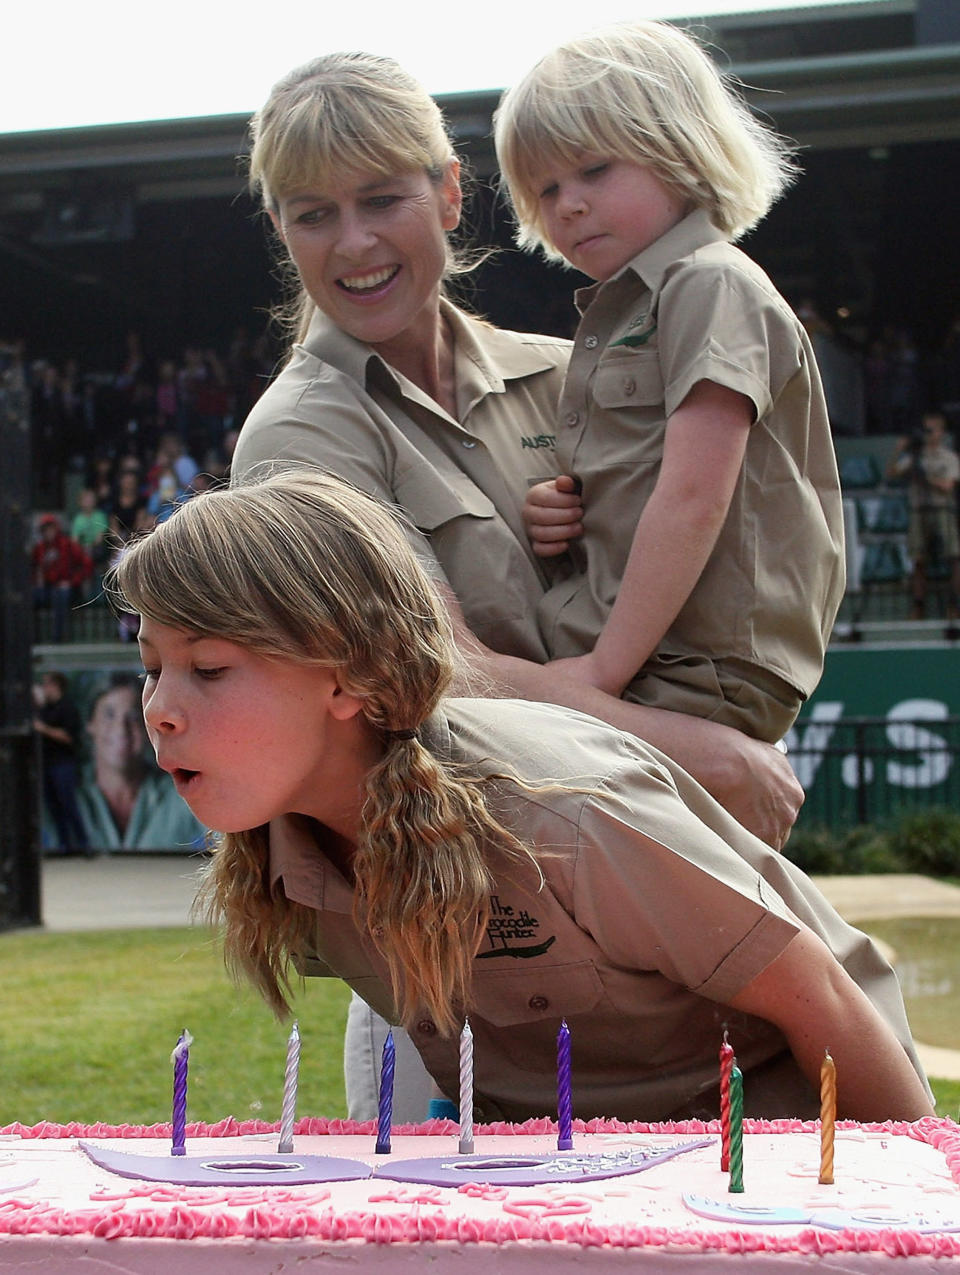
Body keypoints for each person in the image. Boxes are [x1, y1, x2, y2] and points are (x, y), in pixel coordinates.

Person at [230, 49, 803, 1124]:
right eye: (312, 213)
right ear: (280, 229)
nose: (353, 243)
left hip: (654, 906)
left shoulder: (572, 370)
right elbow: (433, 682)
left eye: (382, 198)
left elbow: (713, 547)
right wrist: (702, 753)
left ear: (449, 191)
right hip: (460, 951)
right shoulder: (299, 440)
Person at [106, 471, 932, 1123]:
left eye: (209, 669)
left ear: (350, 673)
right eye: (151, 668)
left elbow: (817, 994)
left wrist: (899, 1217)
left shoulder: (562, 812)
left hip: (756, 1156)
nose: (161, 709)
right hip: (553, 1183)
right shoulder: (291, 852)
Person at [495, 20, 846, 744]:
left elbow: (693, 497)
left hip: (688, 668)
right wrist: (560, 508)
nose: (569, 204)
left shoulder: (709, 284)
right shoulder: (642, 303)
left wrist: (599, 677)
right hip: (649, 657)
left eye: (594, 170)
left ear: (679, 151)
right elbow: (645, 478)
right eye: (548, 186)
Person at [76, 673, 207, 853]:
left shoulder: (181, 795)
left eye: (133, 717)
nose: (121, 729)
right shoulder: (65, 794)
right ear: (90, 724)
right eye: (109, 715)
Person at [886, 410, 960, 619]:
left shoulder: (949, 457)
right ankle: (918, 606)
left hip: (942, 511)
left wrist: (926, 478)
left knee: (954, 557)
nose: (928, 434)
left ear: (941, 432)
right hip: (918, 512)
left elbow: (947, 485)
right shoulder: (914, 457)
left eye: (932, 429)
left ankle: (954, 605)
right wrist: (899, 450)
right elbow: (891, 473)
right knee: (918, 559)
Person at [33, 671, 90, 856]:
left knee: (68, 804)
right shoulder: (44, 710)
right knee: (53, 807)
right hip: (47, 764)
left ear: (56, 685)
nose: (44, 688)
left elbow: (68, 737)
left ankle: (84, 844)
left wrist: (44, 729)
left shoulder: (67, 708)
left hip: (63, 764)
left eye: (47, 684)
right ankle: (64, 845)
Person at [32, 513, 93, 642]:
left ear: (56, 528)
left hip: (69, 588)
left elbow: (87, 565)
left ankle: (59, 638)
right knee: (30, 596)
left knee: (61, 594)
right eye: (45, 529)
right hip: (48, 588)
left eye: (50, 528)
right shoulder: (39, 548)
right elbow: (33, 568)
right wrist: (37, 580)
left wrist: (71, 582)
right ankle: (32, 639)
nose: (48, 532)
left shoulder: (68, 545)